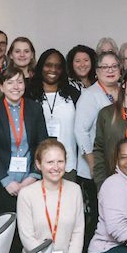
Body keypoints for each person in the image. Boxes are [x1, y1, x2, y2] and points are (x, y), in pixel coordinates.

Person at [0, 67, 48, 214]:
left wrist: (34, 176)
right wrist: (6, 181)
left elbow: (43, 145)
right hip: (2, 182)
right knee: (7, 228)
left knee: (31, 226)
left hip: (30, 180)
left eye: (20, 82)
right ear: (1, 87)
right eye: (10, 82)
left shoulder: (35, 109)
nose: (16, 87)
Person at [33, 49, 85, 186]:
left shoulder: (73, 94)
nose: (53, 69)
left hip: (67, 164)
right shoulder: (29, 94)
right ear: (40, 67)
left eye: (58, 66)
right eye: (48, 65)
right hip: (36, 166)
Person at [75, 52, 123, 176]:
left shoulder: (125, 91)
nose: (110, 70)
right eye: (105, 67)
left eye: (114, 66)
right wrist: (93, 165)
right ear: (97, 71)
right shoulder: (90, 95)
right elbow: (80, 132)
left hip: (122, 165)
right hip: (97, 168)